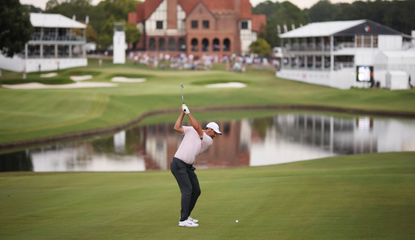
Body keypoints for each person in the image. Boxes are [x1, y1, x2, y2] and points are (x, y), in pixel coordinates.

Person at [171, 104, 222, 227]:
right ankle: (183, 220)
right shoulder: (191, 130)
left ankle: (186, 215)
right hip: (178, 163)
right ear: (209, 129)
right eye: (215, 133)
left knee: (196, 191)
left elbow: (197, 127)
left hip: (188, 167)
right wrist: (182, 113)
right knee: (187, 190)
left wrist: (188, 112)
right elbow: (176, 127)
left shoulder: (208, 141)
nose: (216, 136)